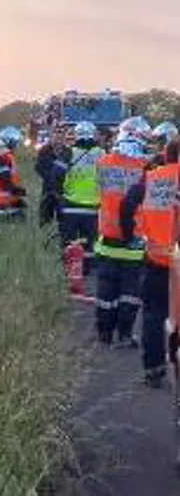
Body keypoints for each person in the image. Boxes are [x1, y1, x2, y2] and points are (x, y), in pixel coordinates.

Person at [120, 139, 179, 387]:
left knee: (154, 317)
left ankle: (154, 371)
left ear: (166, 155)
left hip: (158, 261)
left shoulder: (152, 179)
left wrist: (128, 234)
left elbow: (125, 205)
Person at [93, 119, 153, 347]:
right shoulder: (146, 168)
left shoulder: (104, 162)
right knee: (130, 294)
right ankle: (125, 335)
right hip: (134, 243)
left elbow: (98, 192)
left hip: (107, 239)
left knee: (105, 292)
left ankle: (104, 333)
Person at [55, 121, 104, 277]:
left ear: (76, 135)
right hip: (93, 208)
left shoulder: (68, 152)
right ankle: (86, 272)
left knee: (69, 241)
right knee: (89, 243)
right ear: (93, 135)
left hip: (70, 206)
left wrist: (58, 195)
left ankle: (69, 272)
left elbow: (56, 175)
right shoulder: (101, 154)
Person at [0, 126, 27, 219]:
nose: (17, 145)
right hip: (2, 205)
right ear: (10, 142)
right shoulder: (4, 157)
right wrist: (19, 192)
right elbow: (5, 181)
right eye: (16, 142)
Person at [35, 130, 66, 228]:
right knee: (45, 217)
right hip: (48, 189)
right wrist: (49, 177)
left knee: (63, 218)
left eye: (60, 139)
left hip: (62, 190)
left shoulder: (68, 152)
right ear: (51, 139)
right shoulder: (44, 151)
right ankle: (45, 232)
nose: (58, 141)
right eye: (56, 138)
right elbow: (38, 167)